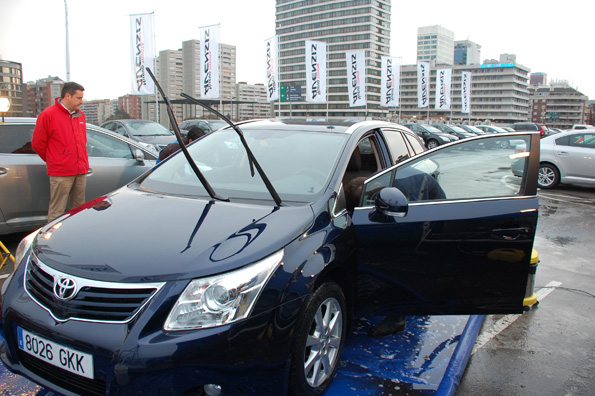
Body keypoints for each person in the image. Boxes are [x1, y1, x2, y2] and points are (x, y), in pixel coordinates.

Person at [32, 82, 88, 223]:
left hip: (80, 170)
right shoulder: (48, 115)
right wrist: (55, 160)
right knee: (57, 210)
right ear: (67, 96)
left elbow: (82, 141)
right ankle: (53, 240)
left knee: (79, 208)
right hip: (61, 172)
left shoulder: (80, 115)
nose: (81, 102)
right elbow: (38, 144)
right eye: (79, 98)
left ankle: (76, 235)